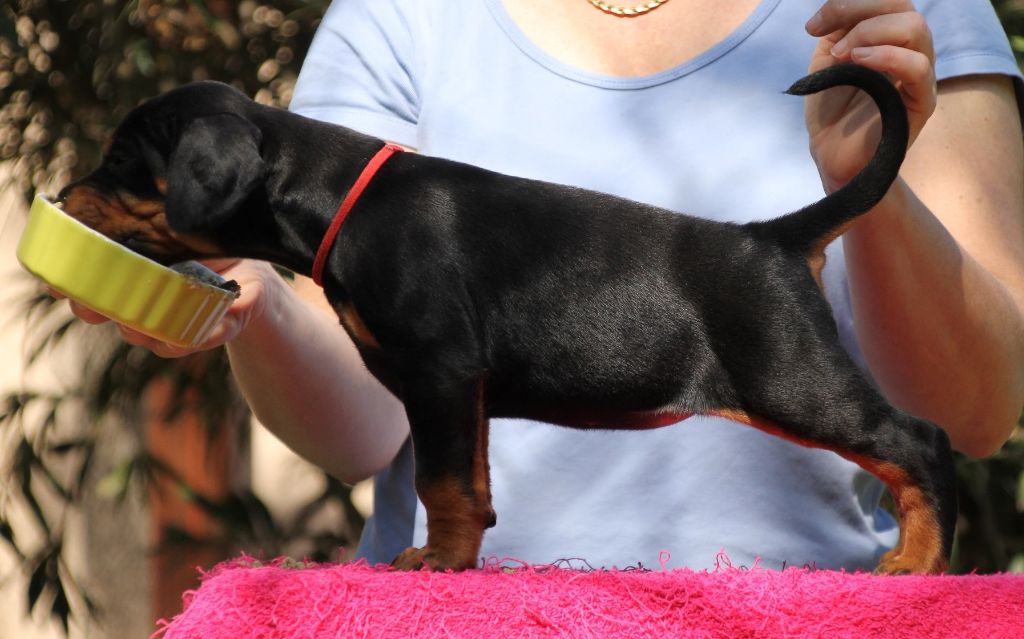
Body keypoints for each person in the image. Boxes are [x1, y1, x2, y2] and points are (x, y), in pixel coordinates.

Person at [68, 0, 1024, 571]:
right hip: (468, 621)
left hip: (793, 610)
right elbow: (365, 425)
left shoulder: (892, 10)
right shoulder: (398, 19)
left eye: (124, 176)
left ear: (208, 177)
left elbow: (980, 411)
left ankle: (919, 497)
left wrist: (873, 190)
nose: (97, 196)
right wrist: (249, 298)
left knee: (805, 399)